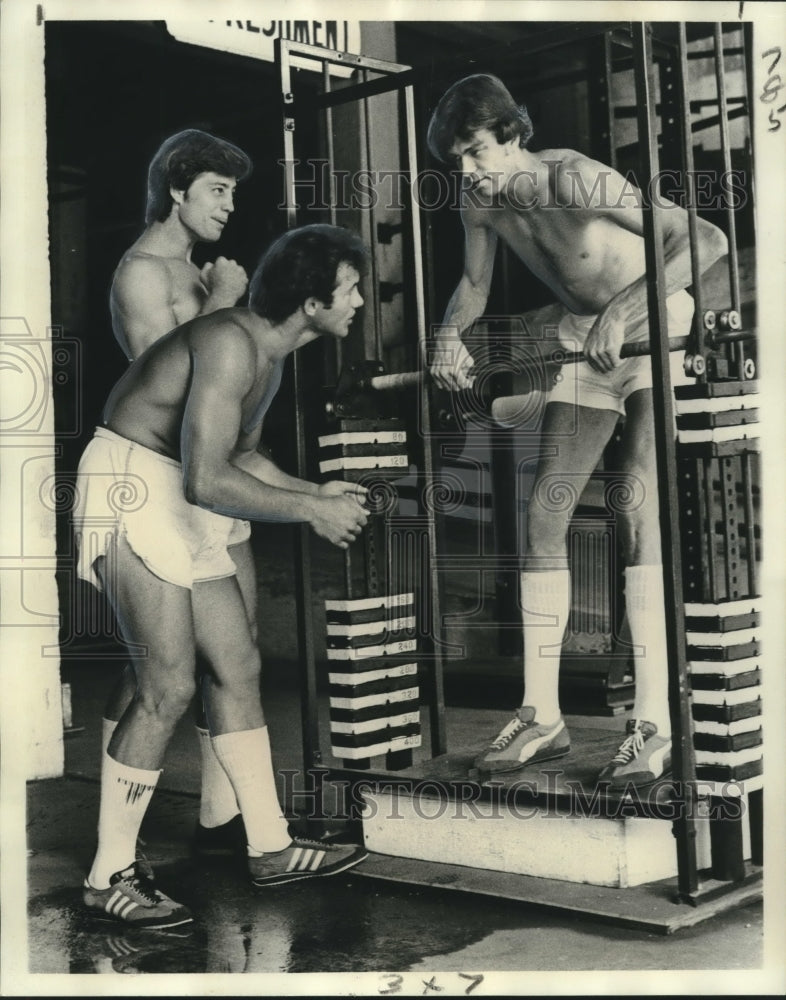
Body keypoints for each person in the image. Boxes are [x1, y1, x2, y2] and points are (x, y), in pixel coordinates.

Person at [426, 74, 727, 788]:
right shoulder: (478, 200)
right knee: (543, 517)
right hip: (581, 341)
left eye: (475, 153)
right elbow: (474, 285)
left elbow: (703, 239)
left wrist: (625, 309)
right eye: (457, 162)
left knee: (636, 502)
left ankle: (652, 723)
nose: (468, 174)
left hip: (655, 326)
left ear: (513, 134)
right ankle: (542, 716)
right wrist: (447, 335)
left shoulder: (576, 179)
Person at [73, 224, 370, 927]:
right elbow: (209, 478)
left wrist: (317, 494)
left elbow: (243, 456)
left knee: (237, 665)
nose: (360, 299)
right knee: (167, 684)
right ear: (309, 302)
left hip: (177, 487)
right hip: (132, 484)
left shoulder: (268, 352)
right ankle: (107, 873)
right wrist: (308, 512)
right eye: (350, 287)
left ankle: (269, 847)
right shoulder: (231, 343)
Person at [103, 129, 256, 857]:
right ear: (176, 188)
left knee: (237, 655)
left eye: (233, 193)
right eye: (217, 191)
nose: (230, 207)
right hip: (153, 481)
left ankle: (226, 818)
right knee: (158, 675)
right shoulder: (141, 272)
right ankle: (117, 846)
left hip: (212, 483)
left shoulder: (197, 272)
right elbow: (160, 376)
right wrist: (225, 301)